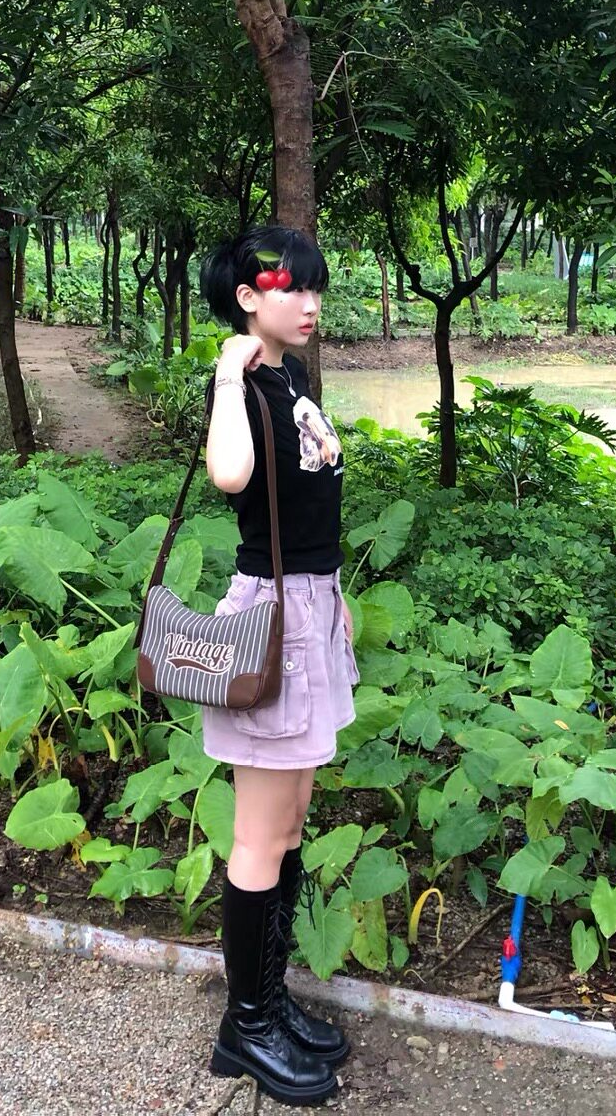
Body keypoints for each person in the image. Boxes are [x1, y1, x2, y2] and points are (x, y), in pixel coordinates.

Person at [199, 224, 360, 1106]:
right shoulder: (246, 381)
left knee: (291, 821)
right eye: (291, 287)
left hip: (311, 609)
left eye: (314, 288)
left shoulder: (293, 377)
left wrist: (335, 597)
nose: (310, 303)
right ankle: (247, 1026)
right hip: (271, 623)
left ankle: (269, 998)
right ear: (247, 299)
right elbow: (230, 475)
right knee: (260, 834)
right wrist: (228, 371)